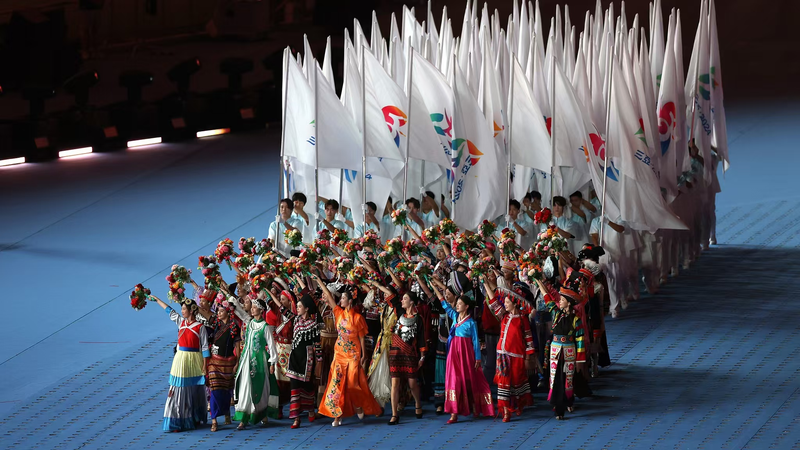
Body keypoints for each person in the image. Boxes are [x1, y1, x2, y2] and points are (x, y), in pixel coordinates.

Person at [314, 276, 383, 426]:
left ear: (350, 301)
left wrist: (364, 355)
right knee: (336, 384)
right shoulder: (338, 312)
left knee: (352, 383)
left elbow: (362, 337)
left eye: (344, 298)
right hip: (339, 353)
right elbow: (330, 298)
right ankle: (337, 416)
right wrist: (319, 281)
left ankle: (359, 404)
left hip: (353, 354)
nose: (341, 300)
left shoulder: (358, 318)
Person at [430, 276, 494, 424]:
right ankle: (453, 413)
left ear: (466, 307)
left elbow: (476, 342)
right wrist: (433, 286)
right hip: (453, 353)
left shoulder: (471, 322)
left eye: (460, 304)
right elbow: (443, 302)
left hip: (466, 354)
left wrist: (477, 358)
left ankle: (473, 406)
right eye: (457, 303)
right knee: (453, 381)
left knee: (468, 380)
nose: (457, 306)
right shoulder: (454, 317)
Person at [151, 295, 210, 432]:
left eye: (184, 309)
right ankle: (177, 420)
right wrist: (157, 299)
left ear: (191, 310)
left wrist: (204, 365)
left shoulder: (200, 327)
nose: (182, 311)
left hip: (194, 359)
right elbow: (169, 311)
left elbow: (205, 347)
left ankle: (193, 417)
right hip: (181, 360)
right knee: (178, 389)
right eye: (182, 309)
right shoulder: (181, 322)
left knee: (194, 389)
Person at [481, 279, 536, 422]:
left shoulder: (523, 320)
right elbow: (493, 302)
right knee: (503, 382)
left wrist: (529, 358)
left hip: (517, 356)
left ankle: (519, 404)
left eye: (507, 302)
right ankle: (505, 411)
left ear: (514, 303)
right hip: (502, 355)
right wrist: (485, 282)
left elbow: (529, 340)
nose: (504, 303)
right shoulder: (503, 316)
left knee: (517, 381)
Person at [534, 277, 586, 420]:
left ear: (568, 303)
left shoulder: (576, 319)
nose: (560, 301)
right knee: (555, 378)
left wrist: (580, 361)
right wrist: (537, 280)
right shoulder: (556, 313)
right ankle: (558, 406)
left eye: (562, 300)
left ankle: (568, 401)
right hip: (555, 351)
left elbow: (580, 340)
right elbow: (547, 297)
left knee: (567, 379)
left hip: (569, 351)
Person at [231, 293, 279, 430]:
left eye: (254, 307)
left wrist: (273, 362)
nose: (251, 310)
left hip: (259, 361)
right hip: (246, 360)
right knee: (245, 386)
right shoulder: (250, 322)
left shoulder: (265, 327)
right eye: (251, 307)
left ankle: (260, 412)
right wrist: (231, 302)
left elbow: (271, 345)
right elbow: (240, 312)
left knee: (260, 388)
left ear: (261, 310)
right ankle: (244, 417)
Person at [196, 291, 241, 431]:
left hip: (228, 363)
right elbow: (205, 312)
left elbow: (237, 346)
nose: (219, 313)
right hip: (214, 363)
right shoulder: (215, 322)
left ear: (228, 312)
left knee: (226, 390)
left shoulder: (234, 326)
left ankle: (226, 412)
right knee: (214, 390)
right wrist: (191, 304)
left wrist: (237, 363)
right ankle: (214, 420)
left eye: (222, 311)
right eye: (218, 311)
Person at [280, 293, 322, 429]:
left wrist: (319, 361)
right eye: (297, 306)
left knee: (308, 386)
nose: (297, 309)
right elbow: (283, 309)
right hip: (294, 359)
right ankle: (296, 418)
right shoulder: (296, 320)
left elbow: (317, 344)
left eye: (299, 306)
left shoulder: (313, 325)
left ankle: (310, 409)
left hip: (307, 359)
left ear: (307, 308)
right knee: (294, 386)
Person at [387, 290, 427, 425]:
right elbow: (390, 295)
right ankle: (394, 414)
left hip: (409, 353)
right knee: (395, 383)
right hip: (395, 353)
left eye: (405, 299)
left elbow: (421, 339)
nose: (402, 301)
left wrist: (422, 357)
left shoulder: (418, 319)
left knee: (412, 383)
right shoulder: (399, 313)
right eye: (402, 298)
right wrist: (375, 282)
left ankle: (417, 403)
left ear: (411, 301)